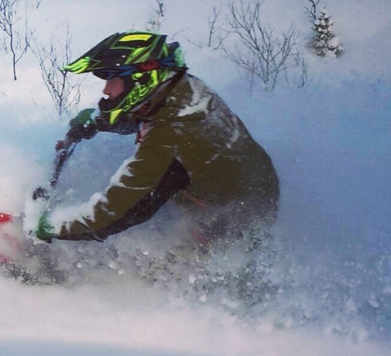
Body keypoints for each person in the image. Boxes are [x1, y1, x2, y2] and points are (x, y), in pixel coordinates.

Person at [31, 31, 279, 250]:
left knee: (173, 272)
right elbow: (148, 112)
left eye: (112, 81)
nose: (106, 91)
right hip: (243, 186)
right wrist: (99, 121)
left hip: (231, 216)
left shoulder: (173, 137)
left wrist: (50, 226)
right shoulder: (180, 89)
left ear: (142, 80)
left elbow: (114, 213)